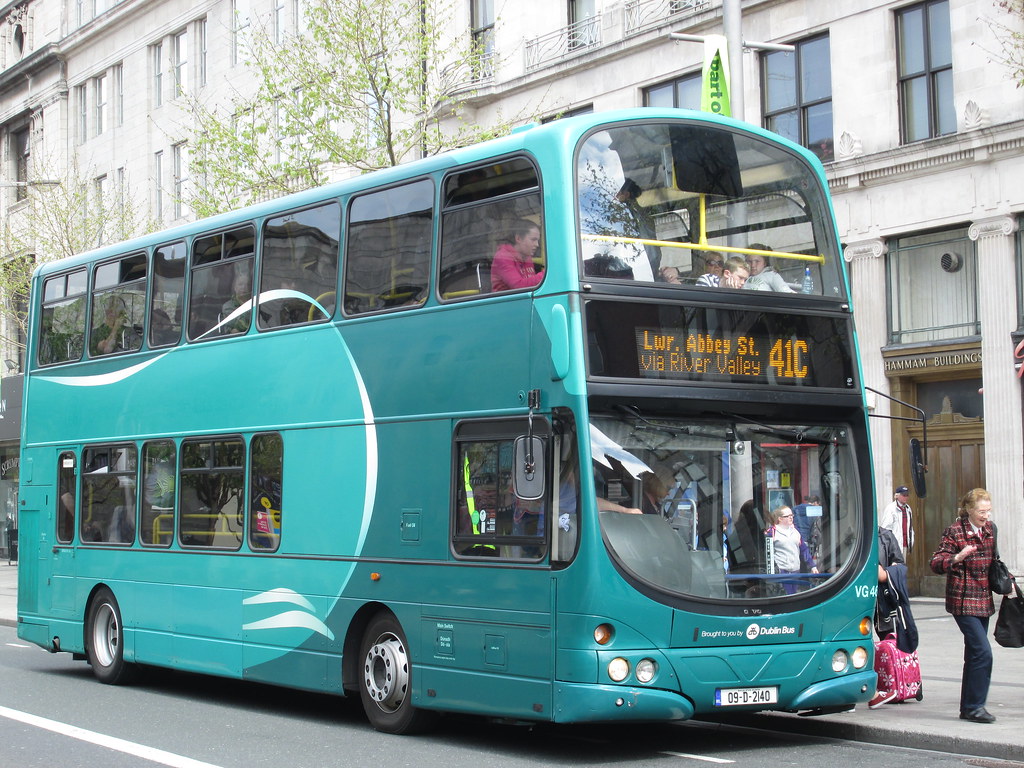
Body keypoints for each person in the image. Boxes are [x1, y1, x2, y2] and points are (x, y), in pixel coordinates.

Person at [929, 488, 998, 724]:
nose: (986, 516)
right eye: (982, 511)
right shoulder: (955, 531)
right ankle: (976, 706)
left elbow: (994, 561)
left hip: (984, 599)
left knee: (974, 654)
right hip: (962, 600)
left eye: (988, 511)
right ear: (968, 509)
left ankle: (968, 708)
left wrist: (1007, 585)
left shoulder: (991, 529)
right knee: (983, 652)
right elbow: (936, 563)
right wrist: (957, 558)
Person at [766, 505, 818, 593]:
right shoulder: (772, 532)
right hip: (782, 571)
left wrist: (812, 566)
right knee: (787, 595)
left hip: (795, 570)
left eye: (792, 515)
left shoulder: (795, 531)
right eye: (788, 516)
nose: (791, 518)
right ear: (780, 518)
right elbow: (767, 551)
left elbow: (804, 550)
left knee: (794, 593)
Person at [491, 219, 544, 292]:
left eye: (537, 240)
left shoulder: (526, 256)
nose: (537, 244)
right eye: (533, 240)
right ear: (518, 238)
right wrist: (546, 275)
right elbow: (518, 286)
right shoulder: (503, 257)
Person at [880, 485, 914, 556]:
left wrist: (910, 542)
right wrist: (889, 545)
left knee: (902, 565)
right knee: (895, 565)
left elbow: (910, 527)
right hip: (894, 546)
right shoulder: (891, 509)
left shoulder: (908, 509)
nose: (906, 497)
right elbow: (885, 529)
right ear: (897, 496)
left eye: (907, 495)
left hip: (904, 544)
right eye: (903, 495)